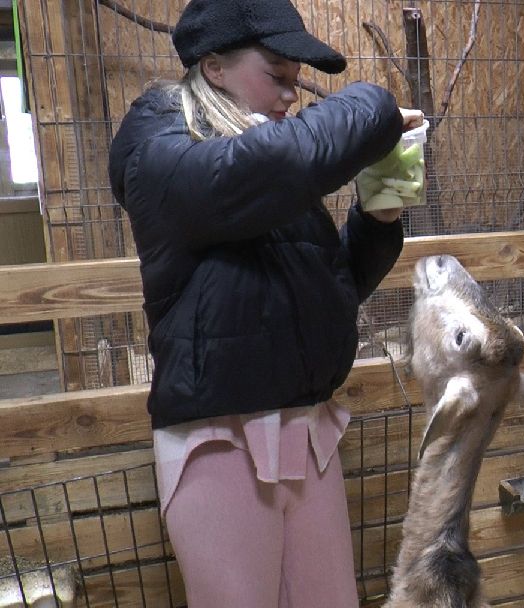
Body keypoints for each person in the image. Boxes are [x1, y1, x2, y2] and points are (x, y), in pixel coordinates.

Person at [107, 0, 423, 605]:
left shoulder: (268, 165)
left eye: (296, 81)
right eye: (277, 74)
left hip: (306, 428)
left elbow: (332, 291)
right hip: (218, 440)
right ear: (214, 66)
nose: (290, 95)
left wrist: (377, 220)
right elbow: (282, 160)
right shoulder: (163, 144)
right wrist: (376, 107)